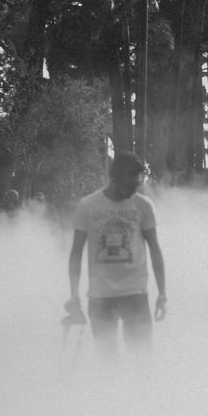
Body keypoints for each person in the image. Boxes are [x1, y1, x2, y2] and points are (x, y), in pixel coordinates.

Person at [66, 152, 167, 361]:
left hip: (135, 293)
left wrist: (162, 294)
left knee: (142, 357)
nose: (132, 192)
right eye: (129, 186)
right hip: (101, 295)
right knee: (107, 358)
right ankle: (112, 393)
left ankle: (144, 394)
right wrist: (74, 295)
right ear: (115, 177)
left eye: (136, 186)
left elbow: (155, 249)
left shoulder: (143, 205)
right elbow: (76, 253)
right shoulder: (87, 205)